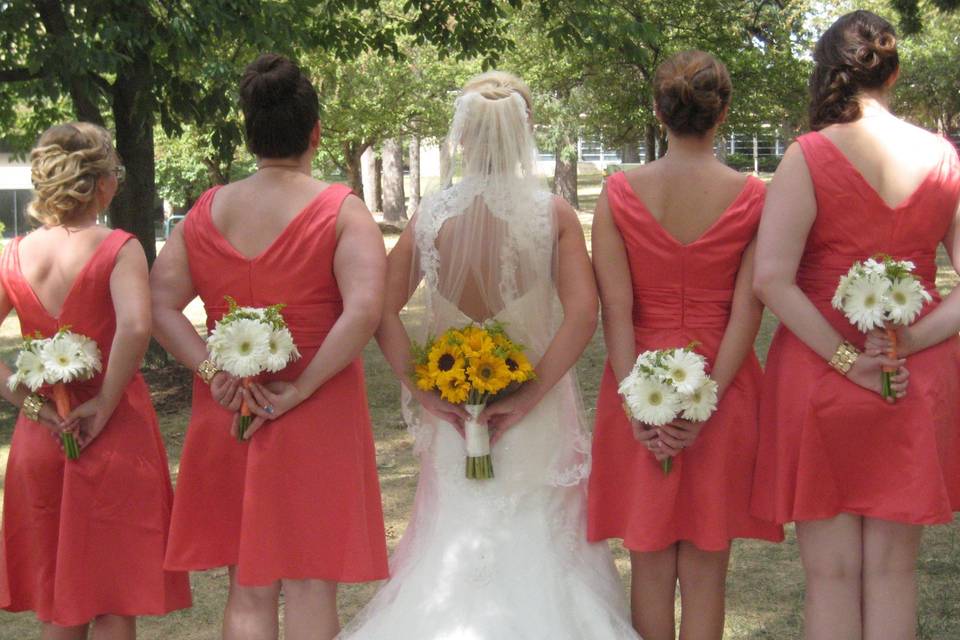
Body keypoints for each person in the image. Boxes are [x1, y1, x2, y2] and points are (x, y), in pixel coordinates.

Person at [338, 71, 637, 639]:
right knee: (545, 543)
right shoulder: (552, 215)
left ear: (464, 137)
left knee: (455, 534)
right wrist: (528, 397)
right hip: (537, 411)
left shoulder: (431, 215)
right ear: (524, 133)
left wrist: (427, 391)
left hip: (455, 412)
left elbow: (378, 310)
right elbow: (582, 315)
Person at [151, 53, 388, 640]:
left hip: (230, 405)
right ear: (315, 132)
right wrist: (302, 388)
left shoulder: (204, 212)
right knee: (310, 580)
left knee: (247, 585)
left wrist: (211, 372)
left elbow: (157, 305)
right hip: (317, 408)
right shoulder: (342, 210)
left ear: (250, 132)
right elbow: (364, 311)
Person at [751, 10, 960, 639]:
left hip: (821, 377)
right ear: (893, 71)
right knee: (895, 573)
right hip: (912, 375)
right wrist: (908, 343)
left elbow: (772, 279)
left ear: (828, 73)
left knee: (833, 575)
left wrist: (849, 362)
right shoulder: (943, 156)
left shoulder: (807, 155)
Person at [587, 51, 783, 640]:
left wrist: (637, 407)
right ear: (722, 112)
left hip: (635, 378)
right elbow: (748, 310)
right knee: (706, 566)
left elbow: (615, 313)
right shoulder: (753, 197)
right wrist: (707, 402)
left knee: (647, 561)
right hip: (725, 385)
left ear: (658, 110)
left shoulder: (618, 193)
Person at [0, 122, 191, 639]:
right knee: (112, 597)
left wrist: (31, 405)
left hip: (45, 435)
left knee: (61, 602)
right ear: (104, 184)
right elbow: (134, 325)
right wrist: (105, 403)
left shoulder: (13, 255)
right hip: (112, 431)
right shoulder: (119, 246)